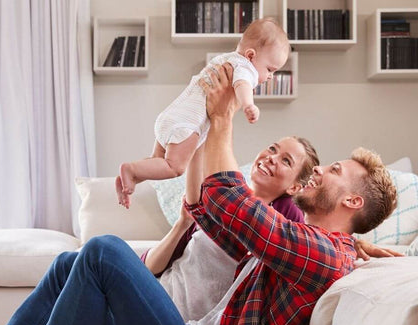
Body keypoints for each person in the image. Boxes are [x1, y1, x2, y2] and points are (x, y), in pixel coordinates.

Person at [0, 63, 397, 325]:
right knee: (67, 264)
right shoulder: (316, 245)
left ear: (352, 200)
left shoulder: (322, 252)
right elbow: (214, 207)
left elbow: (238, 208)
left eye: (334, 171)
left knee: (103, 251)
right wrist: (205, 119)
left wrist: (225, 116)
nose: (322, 172)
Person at [0, 134, 318, 325]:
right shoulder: (222, 200)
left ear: (296, 186)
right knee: (66, 270)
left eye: (285, 160)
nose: (271, 157)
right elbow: (152, 268)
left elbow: (310, 235)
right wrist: (182, 224)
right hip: (144, 309)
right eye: (272, 148)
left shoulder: (274, 228)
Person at [115, 17, 290, 208]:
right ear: (250, 55)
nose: (271, 76)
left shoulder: (223, 59)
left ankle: (128, 178)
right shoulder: (244, 67)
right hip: (186, 125)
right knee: (174, 168)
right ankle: (131, 169)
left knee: (157, 162)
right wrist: (249, 104)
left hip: (171, 117)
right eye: (270, 69)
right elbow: (242, 84)